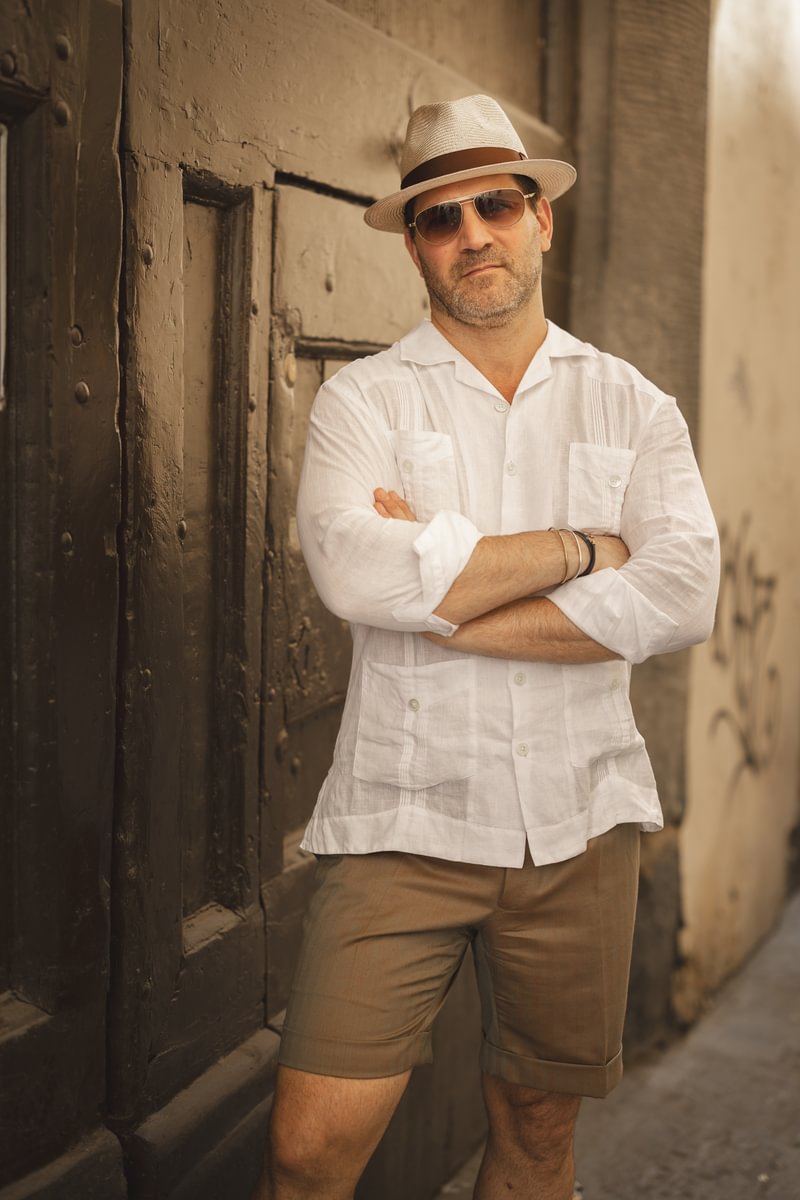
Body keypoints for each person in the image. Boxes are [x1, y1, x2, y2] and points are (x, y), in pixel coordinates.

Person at [256, 94, 719, 1200]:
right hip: (401, 818)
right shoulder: (360, 401)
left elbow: (682, 595)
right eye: (438, 217)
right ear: (413, 244)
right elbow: (353, 573)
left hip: (577, 821)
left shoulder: (631, 406)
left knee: (538, 1125)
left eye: (496, 205)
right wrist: (578, 546)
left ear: (539, 221)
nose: (472, 232)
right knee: (307, 1148)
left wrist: (442, 589)